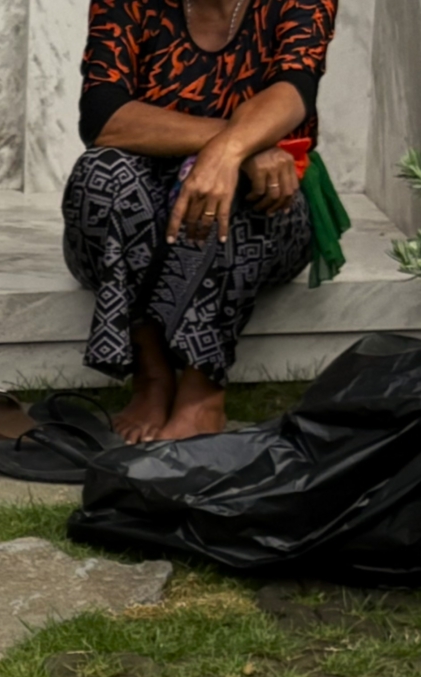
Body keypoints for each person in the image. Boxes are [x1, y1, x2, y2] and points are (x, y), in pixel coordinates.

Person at [69, 0, 337, 442]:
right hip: (146, 203)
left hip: (269, 209)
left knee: (238, 189)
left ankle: (202, 391)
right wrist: (237, 145)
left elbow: (293, 91)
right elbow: (103, 117)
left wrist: (227, 157)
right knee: (102, 173)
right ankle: (152, 374)